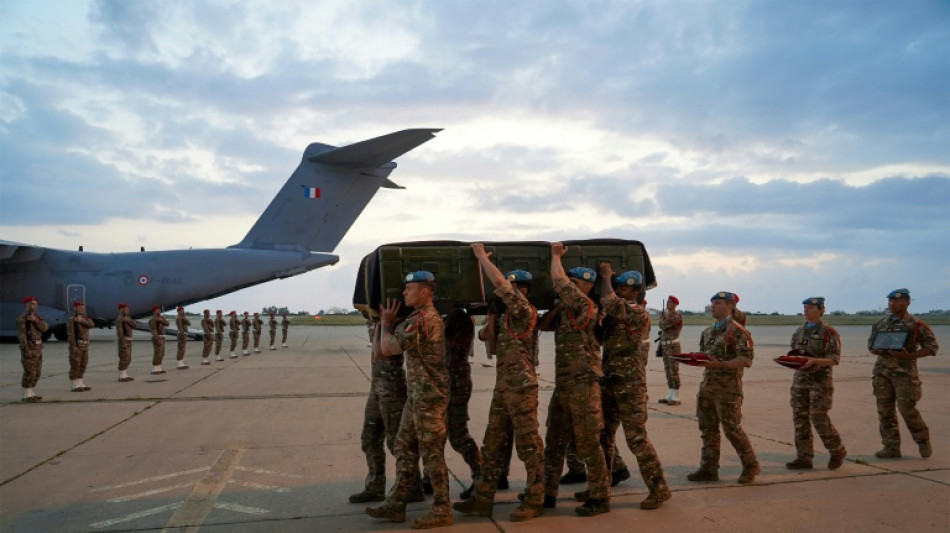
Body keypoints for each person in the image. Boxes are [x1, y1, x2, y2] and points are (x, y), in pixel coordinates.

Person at [453, 244, 545, 522]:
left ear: (524, 291)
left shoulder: (524, 310)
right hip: (503, 387)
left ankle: (535, 499)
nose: (508, 292)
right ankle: (482, 500)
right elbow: (489, 344)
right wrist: (491, 317)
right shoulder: (507, 317)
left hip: (521, 387)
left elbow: (498, 283)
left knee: (528, 445)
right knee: (492, 445)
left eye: (515, 288)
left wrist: (481, 257)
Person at [366, 271, 452, 529]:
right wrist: (385, 323)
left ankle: (442, 510)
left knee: (432, 455)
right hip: (417, 398)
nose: (404, 293)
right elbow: (383, 351)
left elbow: (387, 349)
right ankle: (396, 504)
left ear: (425, 292)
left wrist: (387, 324)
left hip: (429, 399)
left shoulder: (425, 320)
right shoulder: (416, 318)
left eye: (409, 288)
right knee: (404, 447)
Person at [592, 264, 671, 509]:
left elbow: (609, 300)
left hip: (630, 386)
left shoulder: (637, 313)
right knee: (603, 436)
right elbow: (599, 337)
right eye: (616, 287)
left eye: (620, 288)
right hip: (611, 382)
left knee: (636, 438)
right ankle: (600, 488)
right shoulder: (618, 315)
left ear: (634, 292)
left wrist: (605, 276)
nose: (616, 290)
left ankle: (659, 489)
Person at [541, 243, 610, 517]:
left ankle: (601, 497)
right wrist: (557, 308)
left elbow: (557, 280)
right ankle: (547, 492)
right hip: (565, 386)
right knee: (554, 441)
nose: (568, 284)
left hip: (584, 387)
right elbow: (542, 327)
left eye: (574, 282)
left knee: (589, 444)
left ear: (586, 286)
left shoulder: (586, 306)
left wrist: (556, 256)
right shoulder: (569, 309)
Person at [688, 291, 760, 484]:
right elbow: (705, 356)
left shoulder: (738, 331)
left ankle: (750, 465)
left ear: (730, 306)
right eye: (712, 303)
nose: (714, 306)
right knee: (708, 430)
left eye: (718, 303)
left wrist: (718, 364)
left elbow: (745, 360)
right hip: (708, 387)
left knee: (732, 429)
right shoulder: (708, 332)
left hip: (728, 390)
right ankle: (708, 469)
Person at [349, 318, 420, 505]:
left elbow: (380, 354)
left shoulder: (395, 322)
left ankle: (413, 486)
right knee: (370, 438)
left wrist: (384, 323)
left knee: (397, 442)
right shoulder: (376, 320)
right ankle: (375, 486)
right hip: (377, 387)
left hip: (392, 388)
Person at [869, 288, 939, 459]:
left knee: (907, 409)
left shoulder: (916, 325)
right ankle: (891, 447)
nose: (893, 304)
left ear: (907, 302)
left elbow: (932, 347)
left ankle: (923, 440)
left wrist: (910, 356)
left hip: (904, 375)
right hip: (882, 373)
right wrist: (876, 350)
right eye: (890, 301)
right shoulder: (880, 324)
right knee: (885, 411)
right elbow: (871, 345)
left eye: (897, 301)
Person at [786, 297, 847, 470]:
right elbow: (795, 352)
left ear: (821, 310)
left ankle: (837, 451)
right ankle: (804, 457)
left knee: (819, 418)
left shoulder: (828, 332)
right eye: (805, 307)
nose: (806, 310)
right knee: (800, 419)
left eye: (811, 307)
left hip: (819, 382)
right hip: (800, 382)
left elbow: (834, 359)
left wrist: (814, 361)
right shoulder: (799, 331)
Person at [443, 307, 482, 499]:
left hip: (455, 382)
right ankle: (428, 479)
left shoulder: (459, 318)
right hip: (446, 381)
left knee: (458, 434)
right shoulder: (448, 317)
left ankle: (480, 475)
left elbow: (447, 346)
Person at [17, 296, 48, 402]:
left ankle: (32, 392)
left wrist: (35, 321)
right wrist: (26, 349)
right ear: (26, 306)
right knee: (29, 372)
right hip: (29, 348)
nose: (33, 305)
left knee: (37, 372)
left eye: (34, 303)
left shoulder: (37, 318)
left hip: (38, 349)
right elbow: (22, 336)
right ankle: (26, 395)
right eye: (30, 303)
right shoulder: (22, 319)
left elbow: (45, 328)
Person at [658, 295, 683, 406]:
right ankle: (670, 394)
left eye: (670, 302)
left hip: (673, 346)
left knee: (674, 371)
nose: (668, 304)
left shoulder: (676, 316)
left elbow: (663, 326)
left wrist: (661, 318)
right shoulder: (667, 316)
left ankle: (676, 396)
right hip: (665, 346)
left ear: (675, 304)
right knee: (668, 370)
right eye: (667, 302)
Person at [66, 301, 95, 392]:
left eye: (83, 307)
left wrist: (81, 320)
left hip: (85, 345)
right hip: (77, 345)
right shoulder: (72, 320)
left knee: (83, 364)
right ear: (75, 308)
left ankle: (80, 382)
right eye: (80, 307)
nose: (82, 309)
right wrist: (74, 346)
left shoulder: (85, 319)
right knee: (75, 364)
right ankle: (74, 384)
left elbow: (92, 324)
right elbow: (71, 334)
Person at [116, 303, 136, 382]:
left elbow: (135, 325)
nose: (126, 310)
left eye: (127, 309)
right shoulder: (119, 319)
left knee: (128, 358)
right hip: (123, 340)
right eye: (124, 309)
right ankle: (121, 375)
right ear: (120, 310)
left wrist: (128, 321)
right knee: (124, 357)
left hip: (129, 340)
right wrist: (123, 342)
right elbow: (120, 331)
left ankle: (125, 374)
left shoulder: (128, 318)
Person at [148, 306, 169, 374]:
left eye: (160, 310)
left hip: (162, 337)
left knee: (162, 353)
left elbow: (167, 323)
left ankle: (159, 367)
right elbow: (153, 330)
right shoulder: (152, 320)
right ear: (154, 311)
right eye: (158, 310)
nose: (159, 311)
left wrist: (161, 320)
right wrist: (157, 339)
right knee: (157, 353)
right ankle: (154, 368)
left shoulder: (161, 318)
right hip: (157, 337)